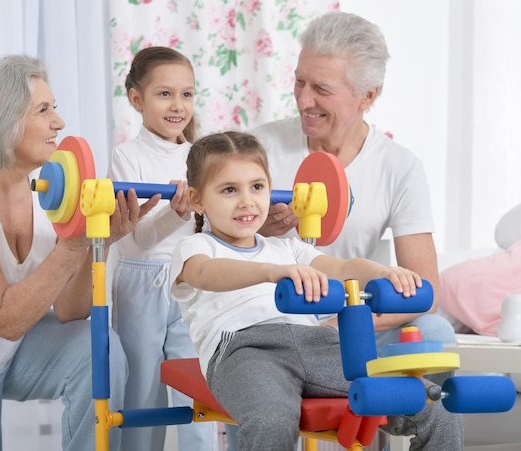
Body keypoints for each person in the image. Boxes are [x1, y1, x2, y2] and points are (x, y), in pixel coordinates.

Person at [0, 54, 159, 451]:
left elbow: (71, 311)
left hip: (12, 354)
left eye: (54, 108)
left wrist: (100, 241)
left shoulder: (47, 193)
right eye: (44, 110)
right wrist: (75, 240)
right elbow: (5, 317)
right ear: (1, 118)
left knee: (97, 346)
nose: (59, 122)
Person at [168, 131, 463, 451]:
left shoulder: (288, 248)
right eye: (229, 190)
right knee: (271, 420)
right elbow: (206, 274)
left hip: (318, 342)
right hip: (244, 350)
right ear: (197, 200)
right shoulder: (195, 248)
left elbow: (343, 268)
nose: (247, 201)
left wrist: (382, 272)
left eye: (257, 186)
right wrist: (270, 273)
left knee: (431, 404)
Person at [251, 11, 455, 360]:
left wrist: (339, 324)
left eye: (321, 89)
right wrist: (257, 232)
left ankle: (400, 415)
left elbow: (427, 288)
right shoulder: (257, 148)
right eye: (300, 81)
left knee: (434, 331)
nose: (302, 100)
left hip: (352, 318)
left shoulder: (399, 166)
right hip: (276, 315)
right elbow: (210, 245)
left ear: (367, 96)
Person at [107, 47, 216, 451]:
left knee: (198, 387)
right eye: (165, 94)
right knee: (144, 387)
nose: (178, 105)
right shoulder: (126, 156)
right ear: (137, 99)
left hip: (190, 278)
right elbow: (135, 237)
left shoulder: (199, 157)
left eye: (187, 94)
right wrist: (174, 213)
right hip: (141, 281)